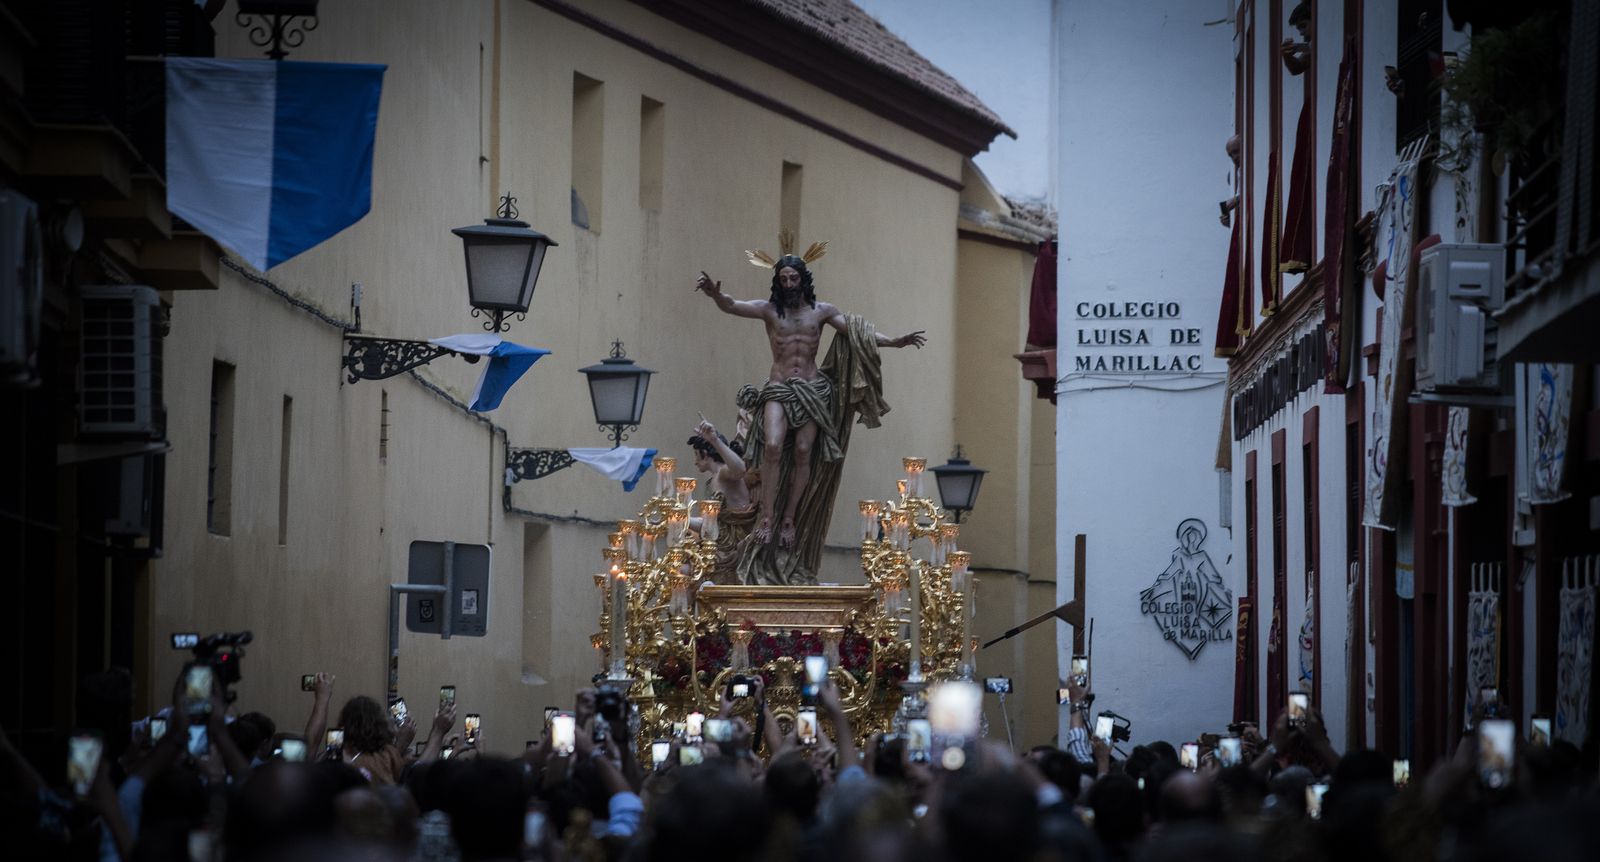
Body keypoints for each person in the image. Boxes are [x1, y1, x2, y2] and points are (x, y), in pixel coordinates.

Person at [695, 258, 925, 551]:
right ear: (778, 281)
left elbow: (856, 334)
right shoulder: (770, 311)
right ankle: (767, 515)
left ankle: (789, 517)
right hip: (779, 387)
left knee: (804, 451)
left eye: (794, 278)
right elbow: (732, 305)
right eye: (784, 279)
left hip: (813, 389)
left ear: (803, 279)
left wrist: (894, 341)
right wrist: (715, 294)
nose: (789, 284)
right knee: (773, 446)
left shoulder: (821, 312)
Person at [689, 419, 756, 584]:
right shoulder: (712, 481)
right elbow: (709, 525)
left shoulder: (724, 474)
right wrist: (680, 518)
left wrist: (714, 440)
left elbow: (740, 469)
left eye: (696, 456)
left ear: (705, 454)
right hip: (721, 546)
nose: (695, 462)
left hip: (735, 547)